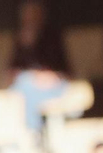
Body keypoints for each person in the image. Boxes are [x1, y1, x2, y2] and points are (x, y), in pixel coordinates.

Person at [8, 0, 72, 145]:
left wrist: (45, 76)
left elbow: (64, 70)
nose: (30, 18)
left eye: (33, 14)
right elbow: (13, 69)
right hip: (28, 85)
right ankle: (28, 135)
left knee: (24, 88)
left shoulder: (53, 36)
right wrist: (26, 47)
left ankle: (34, 134)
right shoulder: (20, 38)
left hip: (56, 84)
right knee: (20, 87)